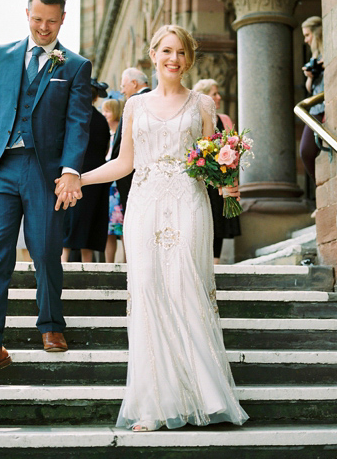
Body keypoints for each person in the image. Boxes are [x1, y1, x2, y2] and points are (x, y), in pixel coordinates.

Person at [80, 24, 248, 432]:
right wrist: (80, 179)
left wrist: (227, 179)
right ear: (153, 54)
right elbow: (124, 163)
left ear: (189, 59)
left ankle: (206, 397)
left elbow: (211, 161)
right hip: (144, 204)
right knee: (150, 291)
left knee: (186, 287)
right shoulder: (134, 106)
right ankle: (155, 403)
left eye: (182, 52)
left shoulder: (203, 104)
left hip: (189, 202)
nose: (174, 59)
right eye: (167, 51)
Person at [0, 0, 92, 383]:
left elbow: (78, 123)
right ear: (28, 14)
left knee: (47, 249)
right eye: (37, 19)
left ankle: (51, 323)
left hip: (44, 171)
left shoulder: (75, 66)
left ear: (63, 19)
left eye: (52, 22)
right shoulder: (4, 54)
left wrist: (70, 170)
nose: (44, 28)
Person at [192, 78, 241, 264]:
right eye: (214, 94)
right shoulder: (193, 120)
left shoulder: (225, 119)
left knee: (218, 221)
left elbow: (234, 148)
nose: (219, 97)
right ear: (204, 97)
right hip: (200, 177)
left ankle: (215, 263)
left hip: (221, 176)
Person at [61, 80, 110, 263]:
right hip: (97, 174)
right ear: (96, 97)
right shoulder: (102, 121)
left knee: (69, 217)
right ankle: (88, 265)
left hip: (75, 171)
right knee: (90, 220)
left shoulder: (73, 117)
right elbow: (105, 149)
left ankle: (63, 263)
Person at [110, 67, 151, 217]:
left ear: (134, 83)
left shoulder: (136, 102)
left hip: (131, 174)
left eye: (123, 86)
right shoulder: (154, 99)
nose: (121, 91)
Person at [299, 17, 324, 190]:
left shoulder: (328, 54)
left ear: (317, 33)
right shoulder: (314, 58)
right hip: (316, 108)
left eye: (308, 35)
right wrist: (310, 76)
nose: (306, 40)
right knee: (306, 150)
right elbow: (310, 89)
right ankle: (320, 189)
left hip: (326, 107)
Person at [101, 98, 124, 263]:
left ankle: (126, 263)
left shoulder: (121, 134)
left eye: (107, 111)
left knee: (123, 228)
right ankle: (109, 263)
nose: (104, 114)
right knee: (108, 230)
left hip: (119, 187)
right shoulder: (104, 133)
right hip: (107, 187)